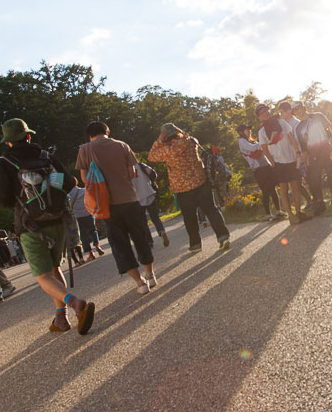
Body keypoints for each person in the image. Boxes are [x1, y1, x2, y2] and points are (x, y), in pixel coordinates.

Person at [0, 118, 94, 335]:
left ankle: (74, 303)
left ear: (8, 141)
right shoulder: (47, 156)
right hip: (57, 220)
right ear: (28, 136)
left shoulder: (4, 163)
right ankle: (61, 319)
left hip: (30, 225)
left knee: (43, 276)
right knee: (55, 269)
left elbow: (1, 198)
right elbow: (70, 183)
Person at [77, 122, 157, 294]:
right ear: (107, 131)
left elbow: (85, 179)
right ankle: (150, 274)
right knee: (141, 237)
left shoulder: (84, 149)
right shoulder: (122, 145)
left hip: (107, 205)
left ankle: (140, 283)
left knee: (120, 246)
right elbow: (132, 173)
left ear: (89, 135)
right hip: (129, 199)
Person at [149, 123, 232, 249]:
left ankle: (195, 244)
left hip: (183, 189)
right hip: (201, 182)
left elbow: (151, 156)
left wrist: (160, 139)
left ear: (165, 135)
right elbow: (186, 136)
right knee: (212, 210)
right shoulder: (191, 141)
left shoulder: (167, 150)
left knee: (189, 217)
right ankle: (223, 236)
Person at [255, 104, 312, 224]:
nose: (265, 113)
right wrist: (272, 163)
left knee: (296, 188)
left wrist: (297, 153)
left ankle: (299, 213)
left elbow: (291, 138)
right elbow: (264, 149)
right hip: (279, 163)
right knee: (284, 191)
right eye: (262, 113)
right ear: (259, 117)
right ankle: (291, 216)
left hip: (292, 160)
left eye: (266, 110)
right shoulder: (262, 132)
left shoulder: (281, 122)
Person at [292, 100, 332, 212]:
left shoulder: (318, 116)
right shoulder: (298, 128)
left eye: (298, 109)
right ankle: (320, 204)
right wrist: (304, 162)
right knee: (315, 180)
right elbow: (303, 147)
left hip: (327, 152)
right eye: (294, 111)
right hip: (313, 156)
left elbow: (329, 132)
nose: (297, 112)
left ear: (303, 107)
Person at [134, 160, 170, 245]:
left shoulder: (125, 170)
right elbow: (153, 174)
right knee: (155, 218)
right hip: (149, 193)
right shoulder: (141, 165)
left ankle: (149, 241)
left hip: (137, 198)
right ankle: (161, 231)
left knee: (143, 221)